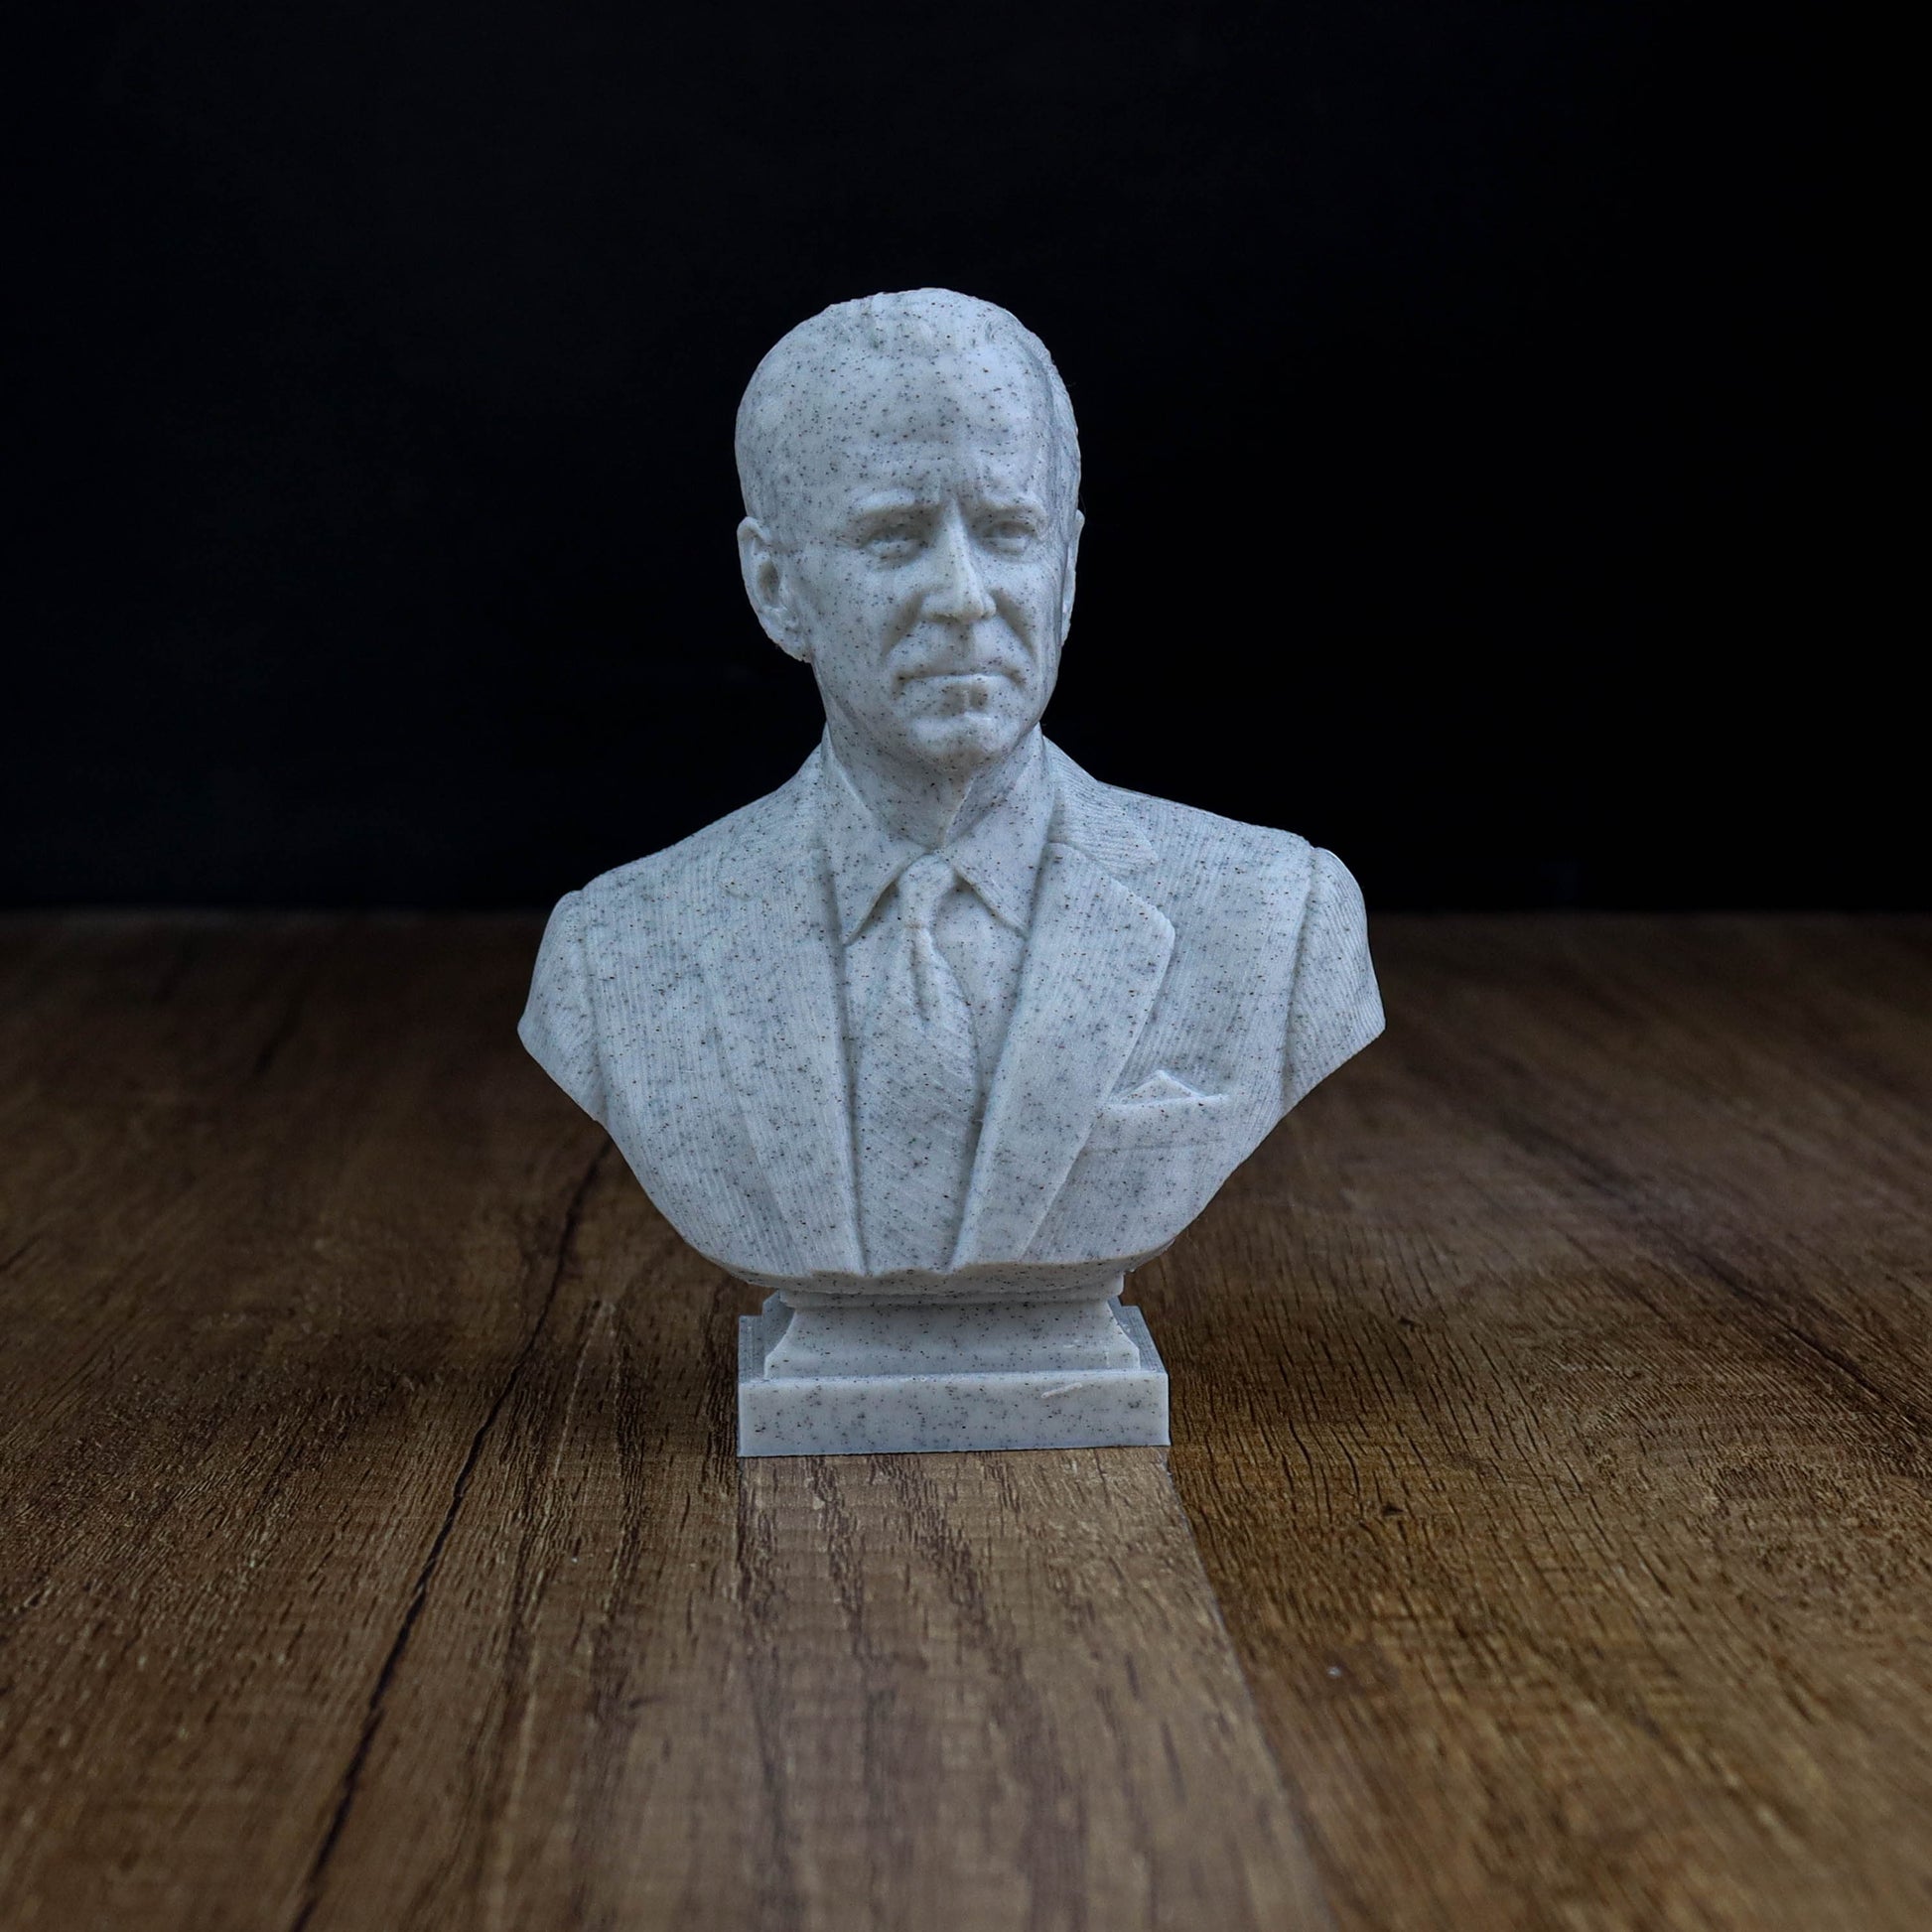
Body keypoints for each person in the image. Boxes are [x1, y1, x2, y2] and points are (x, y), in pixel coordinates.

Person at [520, 289, 1381, 1303]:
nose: (964, 595)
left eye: (1008, 530)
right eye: (893, 538)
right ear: (774, 587)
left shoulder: (1279, 918)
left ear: (1065, 567)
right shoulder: (613, 950)